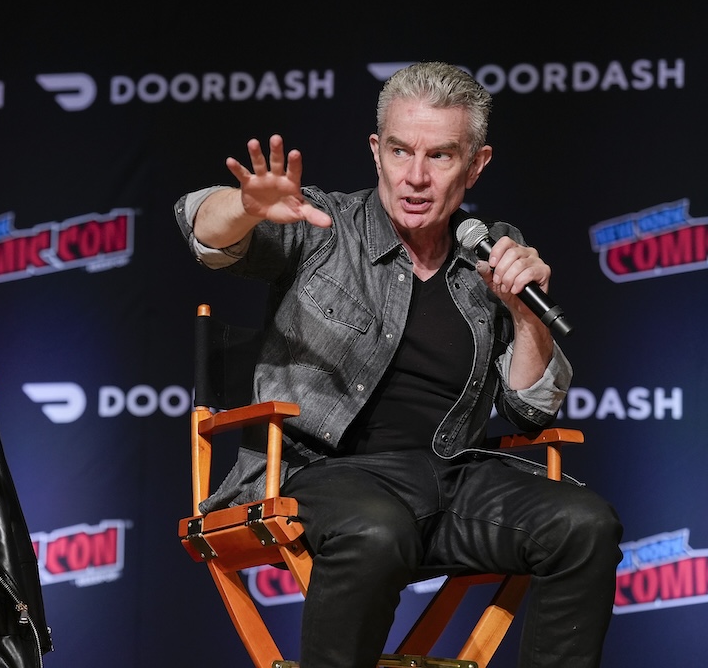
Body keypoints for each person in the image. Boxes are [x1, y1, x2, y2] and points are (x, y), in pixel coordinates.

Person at [174, 61, 622, 667]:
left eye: (440, 156)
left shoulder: (490, 251)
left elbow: (530, 409)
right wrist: (246, 207)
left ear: (476, 164)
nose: (415, 177)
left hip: (448, 479)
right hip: (317, 477)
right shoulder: (323, 227)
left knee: (584, 524)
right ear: (374, 151)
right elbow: (204, 230)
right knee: (378, 527)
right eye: (399, 151)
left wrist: (525, 315)